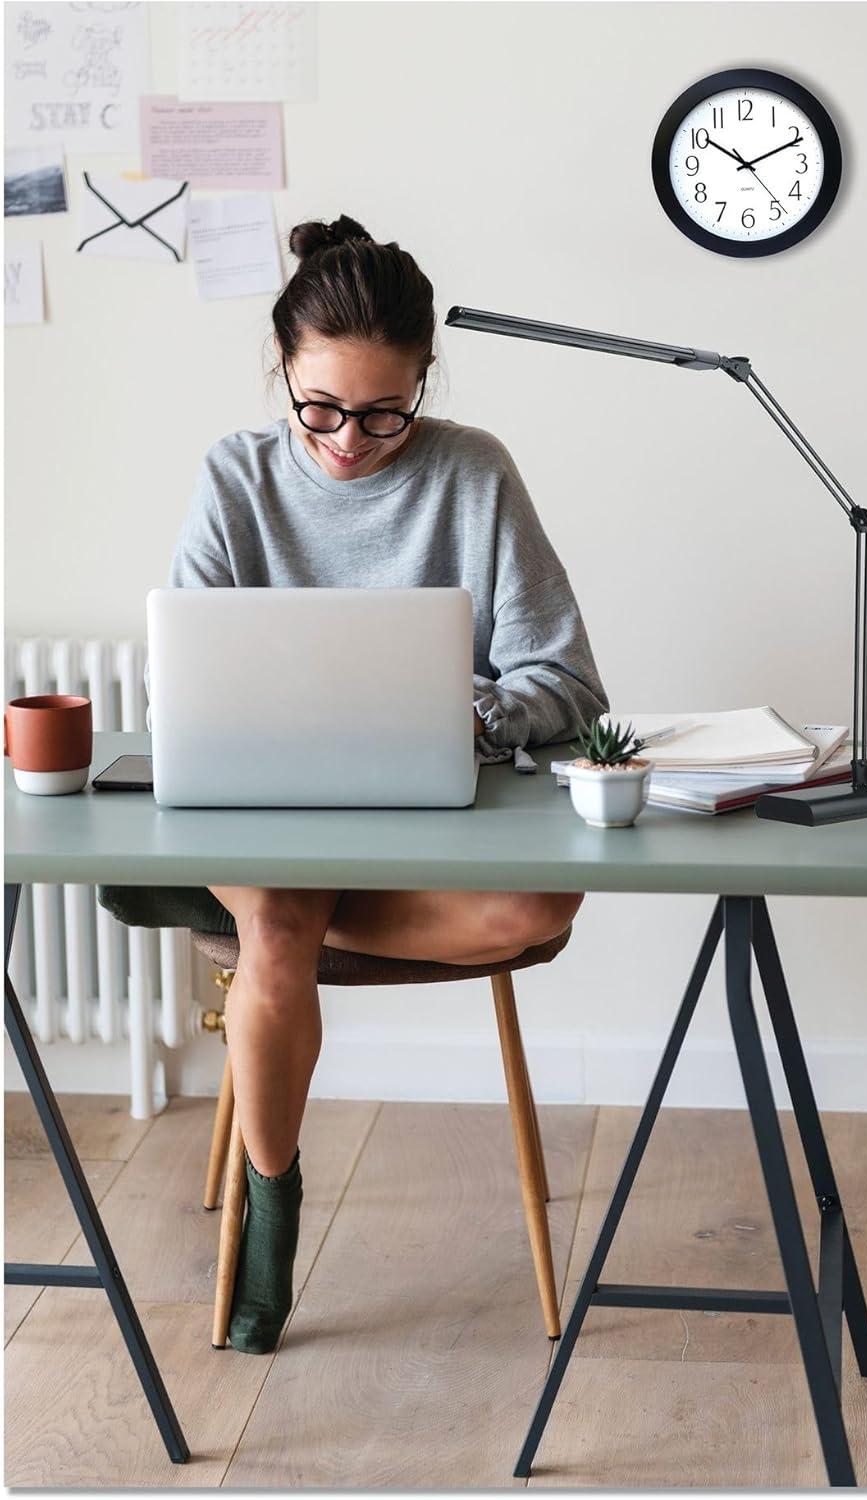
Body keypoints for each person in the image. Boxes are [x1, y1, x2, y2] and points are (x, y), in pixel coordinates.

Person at [105, 213, 610, 1355]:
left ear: (425, 380)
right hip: (264, 819)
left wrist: (468, 711)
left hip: (424, 820)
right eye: (320, 407)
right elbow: (187, 671)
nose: (348, 439)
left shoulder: (473, 472)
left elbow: (568, 681)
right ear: (281, 370)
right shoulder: (235, 477)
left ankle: (271, 947)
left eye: (386, 412)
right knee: (281, 921)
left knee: (535, 910)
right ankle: (271, 1206)